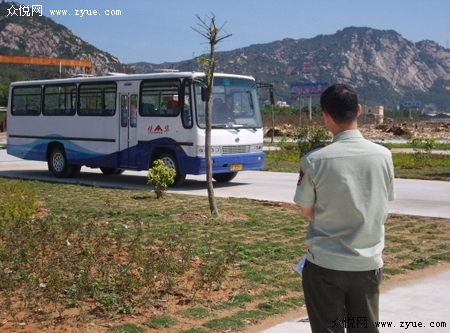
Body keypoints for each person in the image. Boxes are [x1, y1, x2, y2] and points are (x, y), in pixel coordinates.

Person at [293, 84, 395, 333]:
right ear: (359, 110)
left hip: (326, 265)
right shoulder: (383, 155)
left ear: (326, 116)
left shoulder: (315, 160)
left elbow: (306, 210)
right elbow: (385, 201)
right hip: (367, 264)